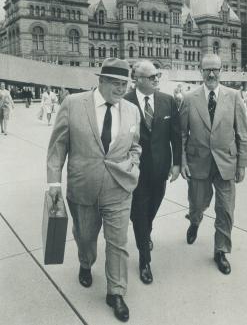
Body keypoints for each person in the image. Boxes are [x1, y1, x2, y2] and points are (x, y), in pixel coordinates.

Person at [47, 58, 142, 322]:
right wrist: (54, 187)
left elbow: (135, 145)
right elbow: (57, 150)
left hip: (119, 188)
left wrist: (133, 164)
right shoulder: (73, 104)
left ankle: (116, 292)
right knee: (85, 237)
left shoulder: (132, 110)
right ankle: (86, 263)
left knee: (118, 243)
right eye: (115, 83)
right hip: (83, 187)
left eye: (125, 83)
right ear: (100, 81)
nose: (121, 89)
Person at [180, 54, 247, 275]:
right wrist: (181, 161)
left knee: (225, 209)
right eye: (207, 70)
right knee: (197, 203)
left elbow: (243, 134)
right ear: (200, 71)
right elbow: (181, 135)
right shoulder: (189, 99)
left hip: (226, 163)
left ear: (221, 71)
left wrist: (242, 164)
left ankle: (221, 251)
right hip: (197, 162)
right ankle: (195, 220)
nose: (211, 74)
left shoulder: (234, 96)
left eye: (215, 70)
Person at [124, 60, 181, 285]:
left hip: (160, 169)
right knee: (139, 211)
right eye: (151, 77)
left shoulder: (167, 101)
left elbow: (175, 136)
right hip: (135, 170)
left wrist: (177, 163)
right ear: (137, 79)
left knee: (152, 208)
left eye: (158, 75)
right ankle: (144, 260)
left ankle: (145, 230)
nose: (157, 79)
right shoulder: (125, 102)